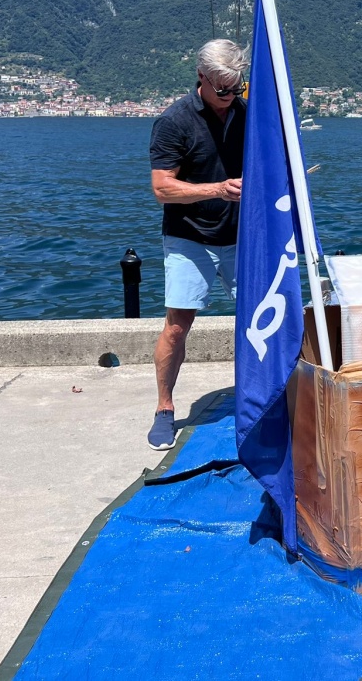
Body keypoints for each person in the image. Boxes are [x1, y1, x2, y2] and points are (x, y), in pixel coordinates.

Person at [145, 38, 248, 450]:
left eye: (235, 88)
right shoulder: (174, 121)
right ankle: (165, 409)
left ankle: (272, 399)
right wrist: (217, 190)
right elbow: (162, 189)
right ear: (201, 78)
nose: (227, 97)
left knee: (266, 318)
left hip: (241, 235)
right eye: (220, 89)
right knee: (177, 326)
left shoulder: (248, 114)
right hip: (189, 236)